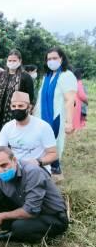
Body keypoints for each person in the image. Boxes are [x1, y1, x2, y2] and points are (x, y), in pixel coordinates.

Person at [0, 91, 57, 182]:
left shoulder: (43, 127)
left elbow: (53, 154)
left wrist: (38, 161)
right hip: (14, 170)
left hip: (38, 169)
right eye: (14, 106)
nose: (17, 109)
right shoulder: (7, 127)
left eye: (20, 106)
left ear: (29, 107)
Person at [34, 47, 77, 178]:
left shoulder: (66, 75)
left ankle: (55, 168)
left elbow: (70, 100)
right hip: (42, 116)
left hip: (56, 116)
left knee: (54, 141)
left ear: (61, 59)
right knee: (41, 141)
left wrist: (69, 122)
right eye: (49, 59)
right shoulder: (47, 76)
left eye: (55, 58)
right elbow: (40, 98)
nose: (51, 61)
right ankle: (45, 167)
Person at [0, 49, 34, 147]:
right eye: (10, 60)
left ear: (20, 61)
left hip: (16, 112)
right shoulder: (1, 75)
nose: (11, 63)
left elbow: (30, 97)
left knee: (12, 137)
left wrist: (28, 111)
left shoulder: (25, 77)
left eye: (14, 61)